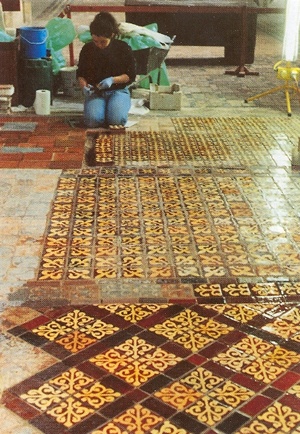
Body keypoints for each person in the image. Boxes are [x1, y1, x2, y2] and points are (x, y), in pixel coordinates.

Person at [77, 11, 136, 128]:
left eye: (103, 42)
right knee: (92, 120)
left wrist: (112, 80)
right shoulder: (87, 49)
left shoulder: (123, 48)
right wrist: (84, 86)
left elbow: (130, 75)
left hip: (118, 90)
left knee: (116, 120)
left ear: (112, 35)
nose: (99, 45)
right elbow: (81, 73)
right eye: (95, 41)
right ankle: (100, 109)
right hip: (96, 92)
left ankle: (117, 106)